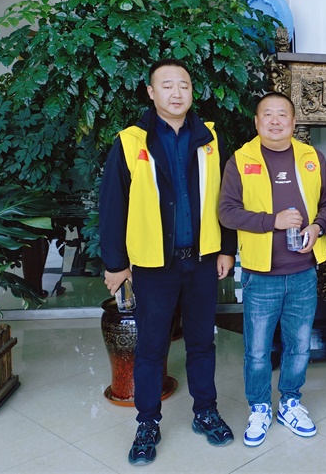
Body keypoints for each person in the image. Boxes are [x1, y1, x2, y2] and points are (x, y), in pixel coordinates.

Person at [99, 58, 236, 466]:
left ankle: (205, 411)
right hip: (153, 265)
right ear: (151, 92)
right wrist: (116, 264)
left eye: (184, 85)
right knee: (151, 346)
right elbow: (112, 205)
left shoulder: (209, 138)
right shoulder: (131, 141)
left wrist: (227, 248)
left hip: (202, 261)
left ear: (192, 91)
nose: (177, 93)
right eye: (167, 85)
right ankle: (147, 422)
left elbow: (225, 197)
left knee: (202, 342)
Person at [218, 91, 326, 447]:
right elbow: (227, 212)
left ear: (293, 122)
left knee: (299, 346)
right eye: (267, 114)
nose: (275, 121)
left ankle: (290, 403)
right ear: (256, 122)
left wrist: (318, 227)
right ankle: (258, 407)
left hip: (304, 271)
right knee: (257, 350)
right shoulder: (241, 160)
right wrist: (273, 221)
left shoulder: (312, 157)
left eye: (282, 114)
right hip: (260, 274)